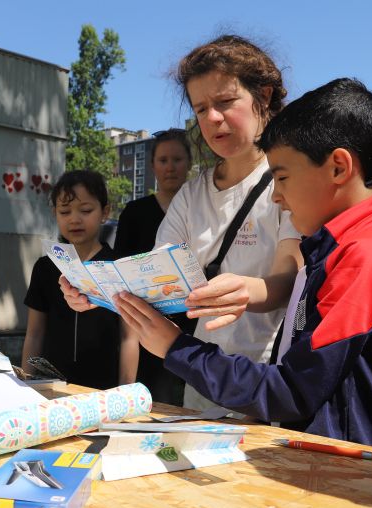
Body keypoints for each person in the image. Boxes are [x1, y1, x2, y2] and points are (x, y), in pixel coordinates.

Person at [114, 78, 372, 454]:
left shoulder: (364, 256)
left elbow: (293, 391)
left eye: (282, 177)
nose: (276, 195)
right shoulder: (333, 250)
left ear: (339, 167)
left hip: (355, 473)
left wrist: (178, 348)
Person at [61, 35, 303, 410]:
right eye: (201, 108)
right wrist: (97, 293)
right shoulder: (192, 194)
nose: (212, 119)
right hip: (201, 380)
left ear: (265, 96)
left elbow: (290, 278)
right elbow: (156, 280)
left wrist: (247, 291)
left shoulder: (289, 180)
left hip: (267, 386)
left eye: (224, 102)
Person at [21, 170, 139, 389]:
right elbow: (34, 333)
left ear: (105, 212)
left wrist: (126, 391)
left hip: (105, 389)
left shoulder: (119, 267)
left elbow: (129, 337)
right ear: (55, 213)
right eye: (65, 211)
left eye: (85, 210)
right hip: (50, 386)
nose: (75, 219)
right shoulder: (45, 267)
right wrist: (25, 383)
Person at [112, 128, 197, 404]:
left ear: (189, 163)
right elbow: (121, 272)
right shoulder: (135, 213)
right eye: (162, 160)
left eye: (177, 159)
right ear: (152, 165)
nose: (170, 167)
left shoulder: (201, 212)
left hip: (195, 324)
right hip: (146, 323)